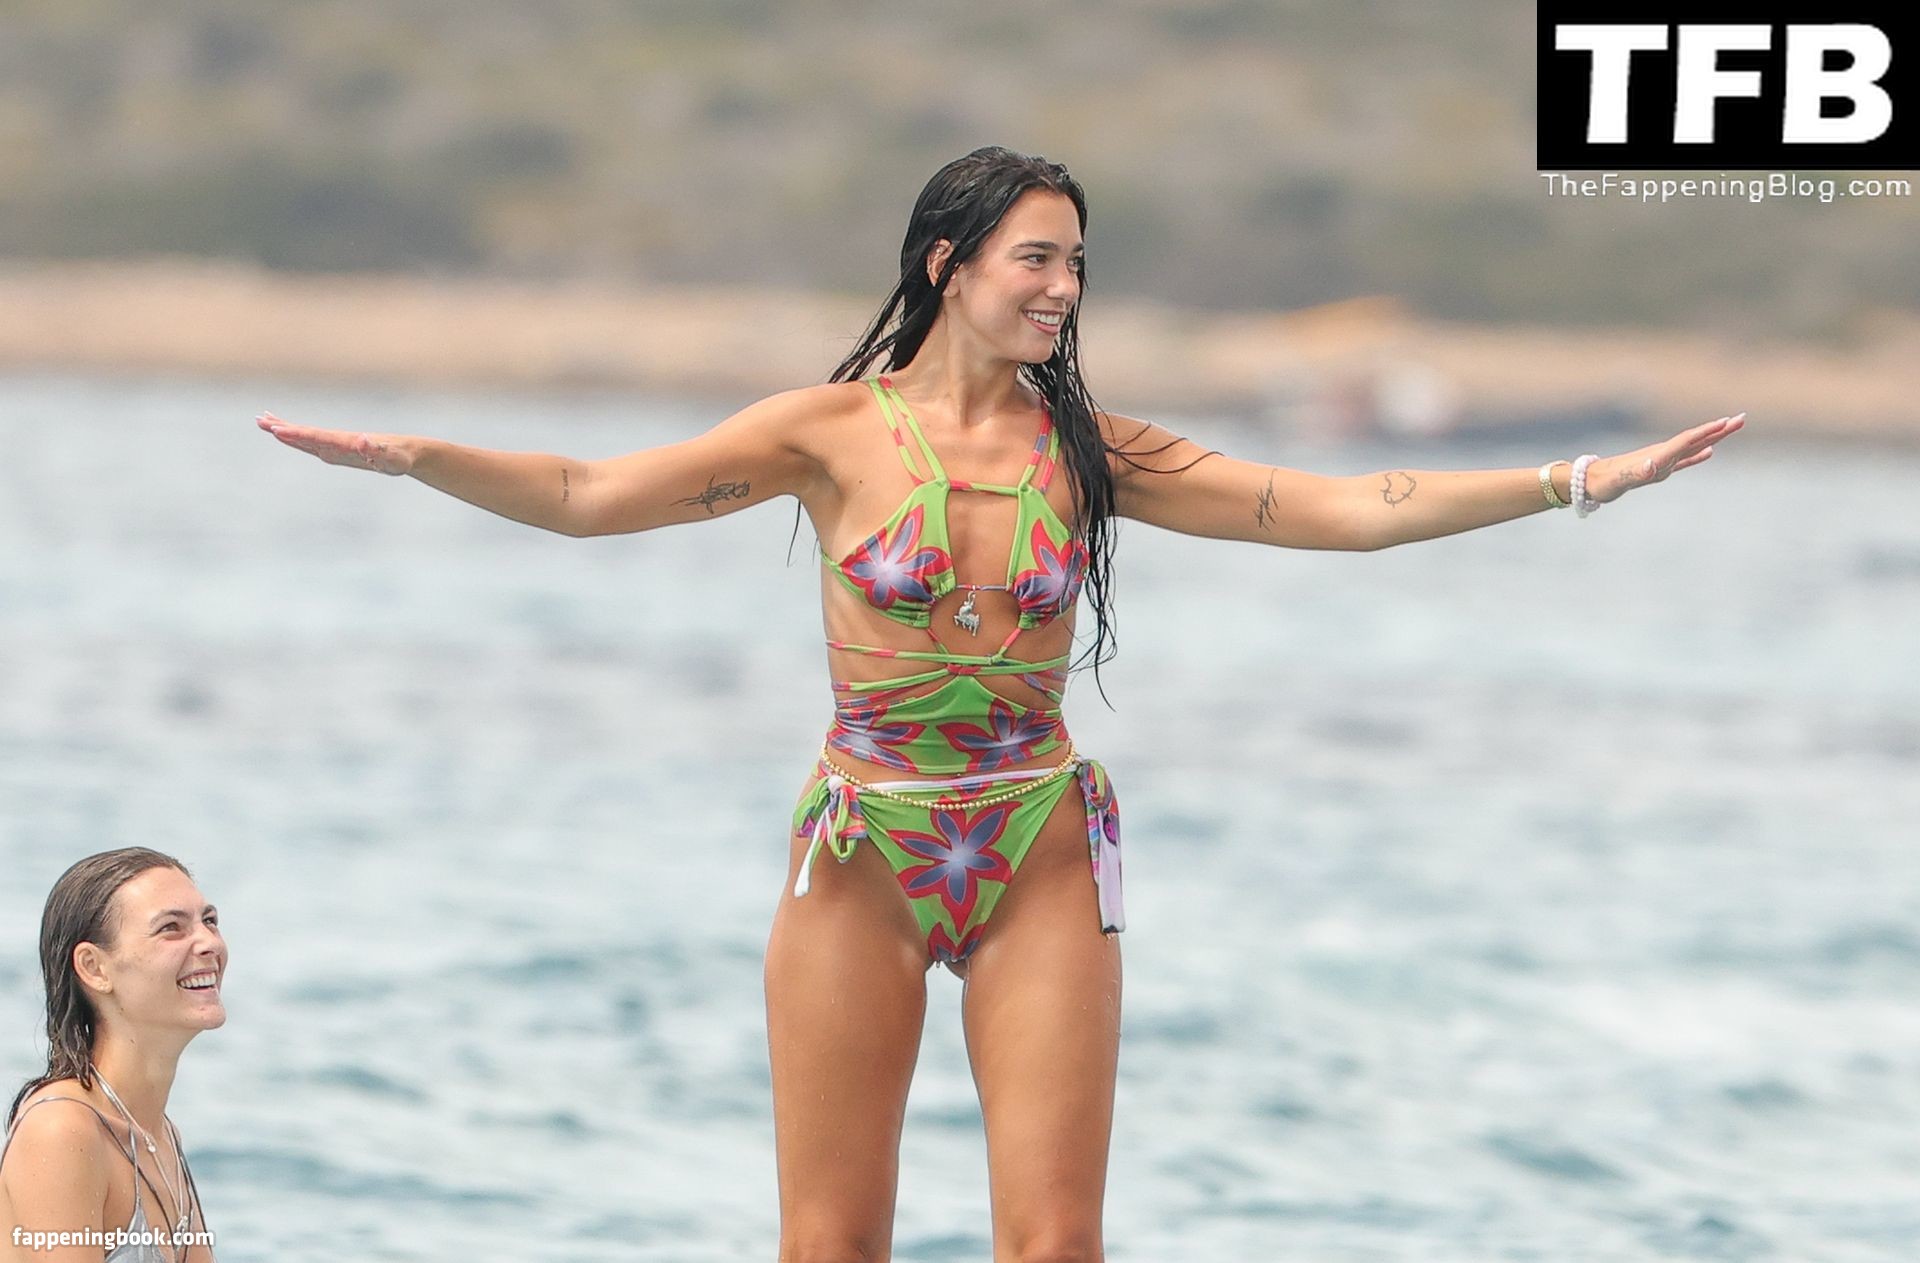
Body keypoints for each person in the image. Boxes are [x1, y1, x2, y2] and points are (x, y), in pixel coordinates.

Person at [255, 146, 1742, 1262]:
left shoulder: (1095, 451)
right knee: (831, 1243)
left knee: (1057, 1243)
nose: (1063, 289)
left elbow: (1343, 506)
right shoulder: (823, 434)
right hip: (865, 847)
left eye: (1077, 265)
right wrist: (418, 458)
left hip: (1038, 843)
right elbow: (590, 492)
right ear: (949, 263)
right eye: (1037, 259)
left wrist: (1576, 479)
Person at [2, 850, 223, 1262]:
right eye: (171, 928)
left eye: (209, 921)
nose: (210, 942)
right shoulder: (61, 1130)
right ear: (94, 968)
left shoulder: (159, 1136)